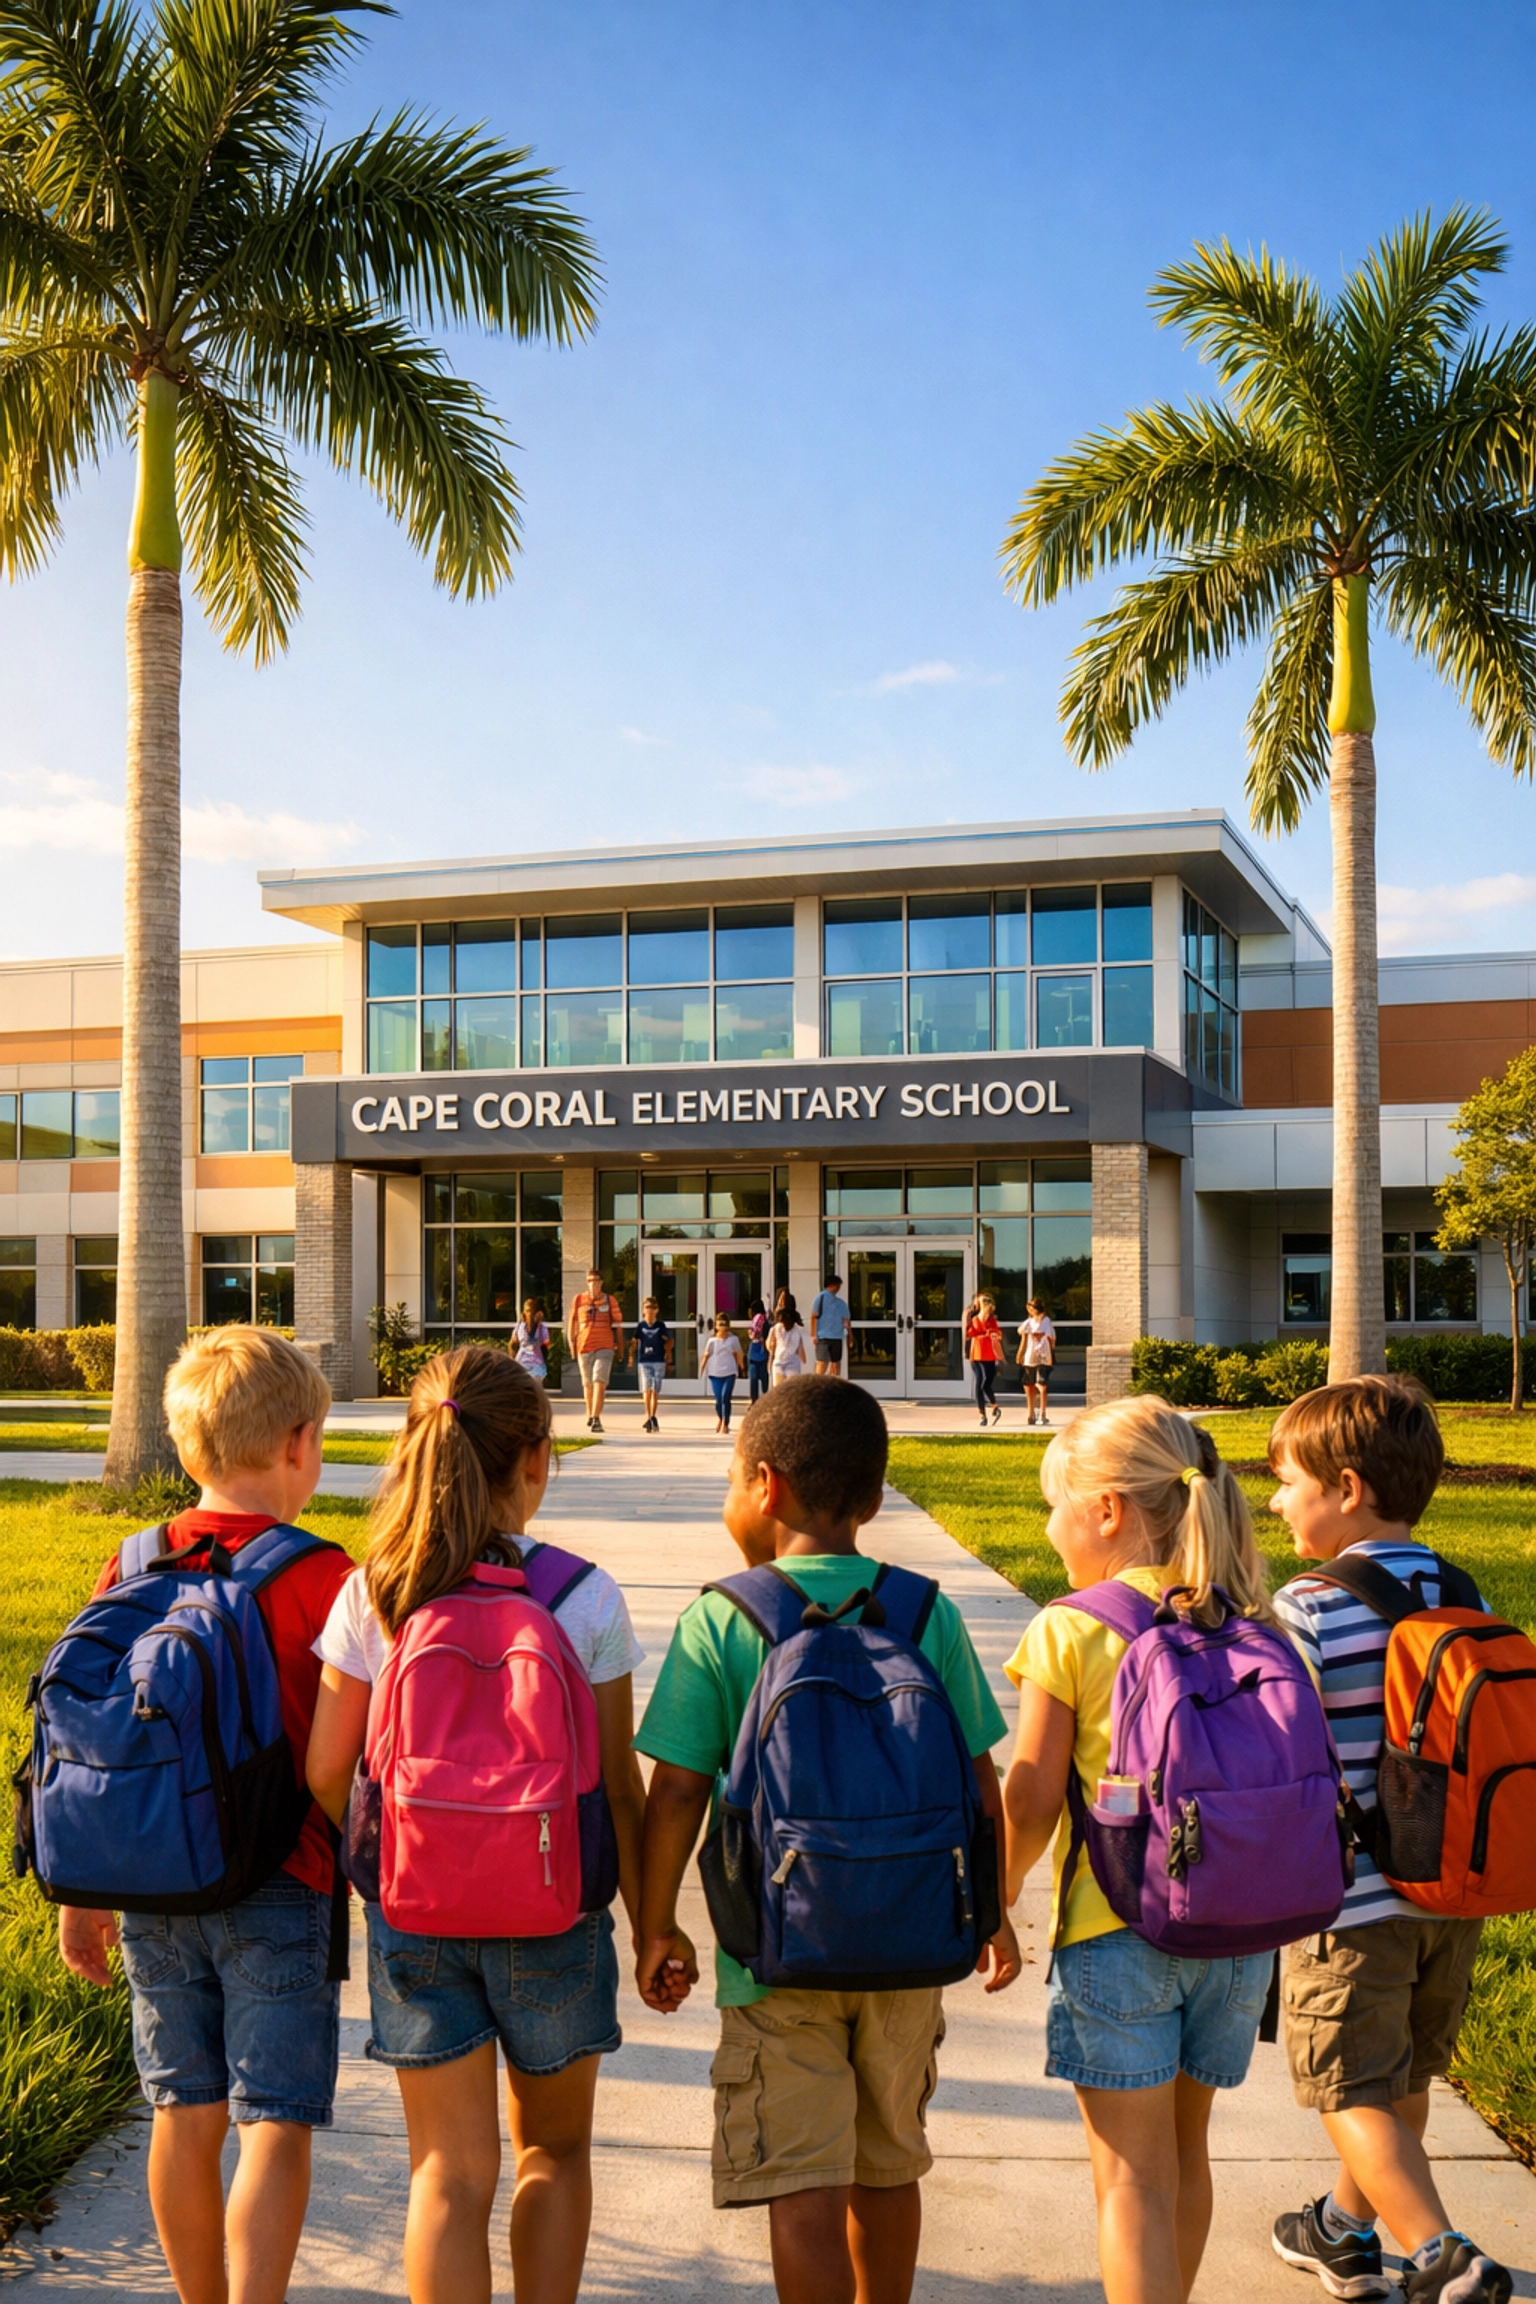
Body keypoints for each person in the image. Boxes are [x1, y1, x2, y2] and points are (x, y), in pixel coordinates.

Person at [634, 1380, 1020, 2302]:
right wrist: (992, 1913)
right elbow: (979, 1781)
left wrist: (656, 1926)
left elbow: (679, 1789)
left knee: (799, 2182)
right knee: (890, 2167)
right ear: (874, 1500)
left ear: (762, 1486)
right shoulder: (928, 1613)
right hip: (910, 1947)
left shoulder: (724, 1616)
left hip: (776, 1958)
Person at [305, 1346, 647, 2304]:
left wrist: (395, 1864)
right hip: (556, 1915)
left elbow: (330, 1768)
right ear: (537, 1460)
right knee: (554, 2152)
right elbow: (617, 1785)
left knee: (447, 2174)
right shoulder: (584, 1597)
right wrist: (653, 1917)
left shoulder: (374, 1589)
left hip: (418, 1918)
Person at [57, 1328, 351, 2304]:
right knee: (275, 2119)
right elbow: (344, 1752)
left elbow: (95, 1746)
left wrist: (79, 1894)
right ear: (302, 1442)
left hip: (152, 1880)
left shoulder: (131, 1562)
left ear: (186, 1450)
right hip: (285, 1881)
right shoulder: (322, 1576)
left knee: (183, 2112)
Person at [1002, 1397, 1279, 2304]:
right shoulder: (1257, 1621)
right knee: (1186, 2156)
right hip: (1240, 1938)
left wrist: (994, 1901)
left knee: (1130, 2180)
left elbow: (1035, 1794)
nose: (1050, 1527)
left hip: (1117, 1931)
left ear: (1109, 1509)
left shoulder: (1072, 1627)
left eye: (1058, 1506)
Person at [1266, 1377, 1511, 2304]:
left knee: (1350, 2088)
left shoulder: (1309, 1607)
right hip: (1450, 1889)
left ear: (1349, 1486)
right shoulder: (1462, 1588)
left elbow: (1281, 1752)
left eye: (1289, 1481)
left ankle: (1441, 2252)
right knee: (1403, 2071)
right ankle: (1342, 2231)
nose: (1279, 1500)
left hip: (1351, 1900)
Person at [568, 1266, 624, 1433]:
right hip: (584, 1346)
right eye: (590, 1281)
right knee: (587, 1384)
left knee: (599, 1380)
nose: (593, 1284)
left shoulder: (610, 1300)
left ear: (601, 1283)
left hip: (604, 1346)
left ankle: (596, 1418)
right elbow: (572, 1322)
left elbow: (618, 1325)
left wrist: (621, 1346)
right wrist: (572, 1344)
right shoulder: (578, 1300)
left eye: (596, 1281)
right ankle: (590, 1414)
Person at [629, 1295, 672, 1433]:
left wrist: (668, 1351)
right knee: (646, 1389)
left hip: (658, 1360)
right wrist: (630, 1355)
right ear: (643, 1310)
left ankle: (653, 1415)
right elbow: (634, 1341)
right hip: (644, 1361)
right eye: (647, 1307)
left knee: (655, 1390)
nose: (650, 1310)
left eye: (653, 1307)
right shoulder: (641, 1326)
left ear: (657, 1310)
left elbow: (669, 1340)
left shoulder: (660, 1326)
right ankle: (649, 1416)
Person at [964, 1292, 1004, 1427]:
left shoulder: (992, 1321)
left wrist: (993, 1335)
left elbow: (997, 1333)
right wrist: (984, 1335)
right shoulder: (974, 1320)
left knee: (987, 1382)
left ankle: (994, 1405)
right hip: (977, 1355)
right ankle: (982, 1414)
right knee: (980, 1383)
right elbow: (969, 1333)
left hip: (989, 1355)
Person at [703, 1311, 745, 1435]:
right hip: (715, 1372)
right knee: (718, 1400)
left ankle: (726, 1423)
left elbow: (739, 1354)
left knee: (725, 1397)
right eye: (719, 1324)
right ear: (716, 1326)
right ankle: (720, 1418)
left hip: (729, 1371)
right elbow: (706, 1355)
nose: (722, 1327)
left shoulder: (733, 1339)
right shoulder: (711, 1341)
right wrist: (702, 1368)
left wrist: (742, 1367)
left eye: (724, 1324)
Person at [1017, 1297, 1056, 1427]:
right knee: (1028, 1385)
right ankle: (1030, 1413)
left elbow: (1051, 1337)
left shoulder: (1046, 1321)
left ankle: (1042, 1413)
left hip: (1043, 1356)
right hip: (1030, 1357)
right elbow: (1021, 1332)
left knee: (1042, 1384)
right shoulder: (1029, 1321)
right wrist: (1021, 1353)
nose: (1030, 1312)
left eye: (1031, 1309)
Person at [809, 1273, 850, 1377]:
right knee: (824, 1364)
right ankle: (819, 1385)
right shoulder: (821, 1298)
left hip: (835, 1336)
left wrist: (850, 1336)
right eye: (838, 1285)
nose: (839, 1288)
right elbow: (814, 1316)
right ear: (832, 1285)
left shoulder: (840, 1303)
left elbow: (846, 1322)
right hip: (824, 1336)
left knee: (832, 1364)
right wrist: (813, 1334)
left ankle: (831, 1386)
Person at [770, 1293, 809, 1385]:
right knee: (792, 1391)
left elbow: (770, 1346)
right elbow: (800, 1349)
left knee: (779, 1391)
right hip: (793, 1362)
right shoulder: (798, 1329)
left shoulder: (776, 1328)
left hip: (779, 1361)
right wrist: (804, 1359)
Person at [513, 1296, 551, 1384]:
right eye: (528, 1311)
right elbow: (514, 1342)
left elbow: (546, 1344)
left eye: (532, 1311)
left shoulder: (542, 1328)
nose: (530, 1313)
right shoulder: (519, 1326)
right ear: (524, 1313)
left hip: (536, 1364)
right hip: (522, 1362)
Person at [746, 1298, 772, 1405]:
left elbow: (753, 1334)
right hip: (764, 1350)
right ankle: (765, 1397)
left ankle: (754, 1400)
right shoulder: (766, 1320)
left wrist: (750, 1334)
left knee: (754, 1377)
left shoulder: (756, 1320)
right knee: (764, 1376)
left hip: (755, 1349)